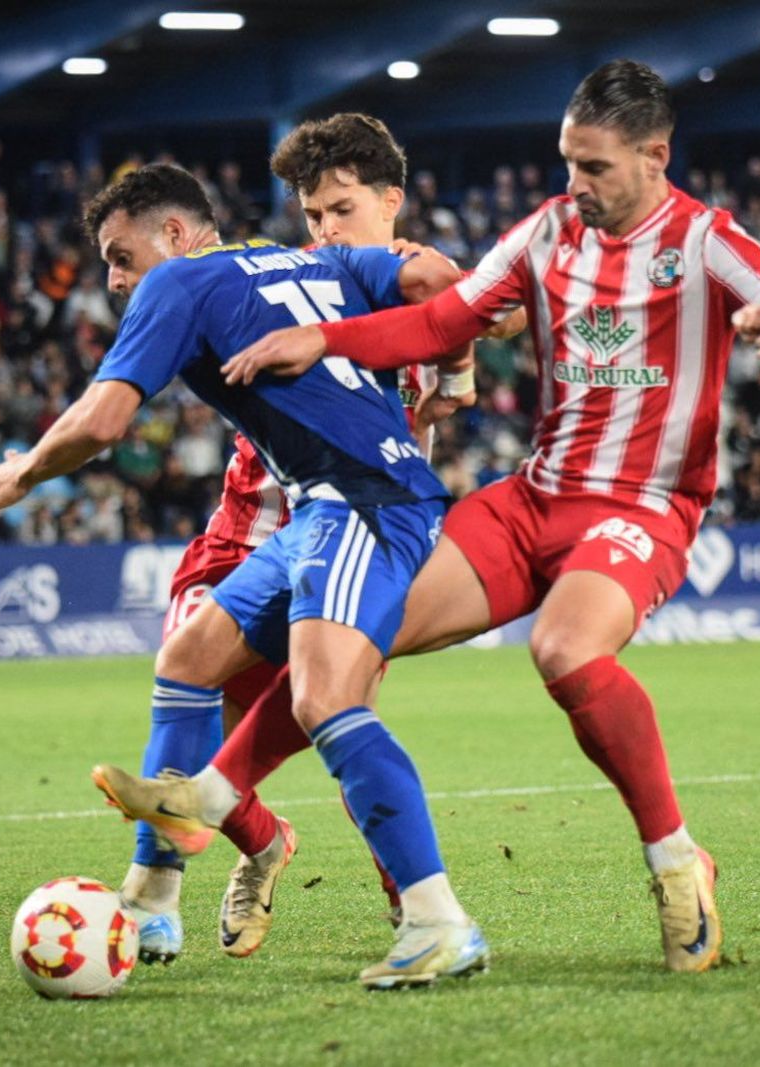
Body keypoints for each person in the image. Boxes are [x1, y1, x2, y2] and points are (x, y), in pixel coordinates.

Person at [117, 59, 760, 974]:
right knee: (351, 644)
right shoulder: (545, 233)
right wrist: (326, 338)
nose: (575, 185)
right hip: (529, 496)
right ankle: (225, 803)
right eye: (568, 162)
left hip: (642, 506)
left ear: (656, 156)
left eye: (596, 168)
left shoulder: (704, 240)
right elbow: (447, 316)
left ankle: (674, 859)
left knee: (565, 650)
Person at [0, 163, 489, 989]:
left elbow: (105, 419)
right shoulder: (306, 258)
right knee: (189, 658)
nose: (113, 278)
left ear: (173, 235)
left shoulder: (176, 286)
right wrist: (454, 373)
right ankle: (149, 894)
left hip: (366, 500)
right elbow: (439, 278)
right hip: (324, 504)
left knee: (327, 702)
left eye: (120, 255)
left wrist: (25, 470)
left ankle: (436, 919)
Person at [119, 114, 488, 966]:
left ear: (391, 201)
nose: (322, 228)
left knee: (328, 713)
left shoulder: (406, 292)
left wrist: (455, 382)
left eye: (341, 210)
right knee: (203, 693)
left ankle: (412, 903)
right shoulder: (294, 270)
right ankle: (185, 882)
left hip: (354, 532)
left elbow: (452, 335)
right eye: (312, 213)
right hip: (247, 535)